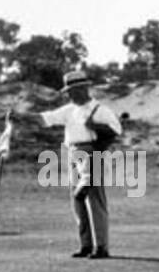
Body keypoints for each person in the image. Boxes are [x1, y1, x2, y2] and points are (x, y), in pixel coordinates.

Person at [14, 70, 123, 259]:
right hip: (72, 153)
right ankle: (86, 245)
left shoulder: (100, 110)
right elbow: (45, 118)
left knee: (94, 200)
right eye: (68, 92)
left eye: (72, 91)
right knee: (78, 200)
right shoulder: (69, 110)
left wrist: (96, 126)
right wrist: (21, 116)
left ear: (83, 89)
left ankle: (102, 247)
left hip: (92, 153)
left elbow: (116, 130)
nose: (69, 95)